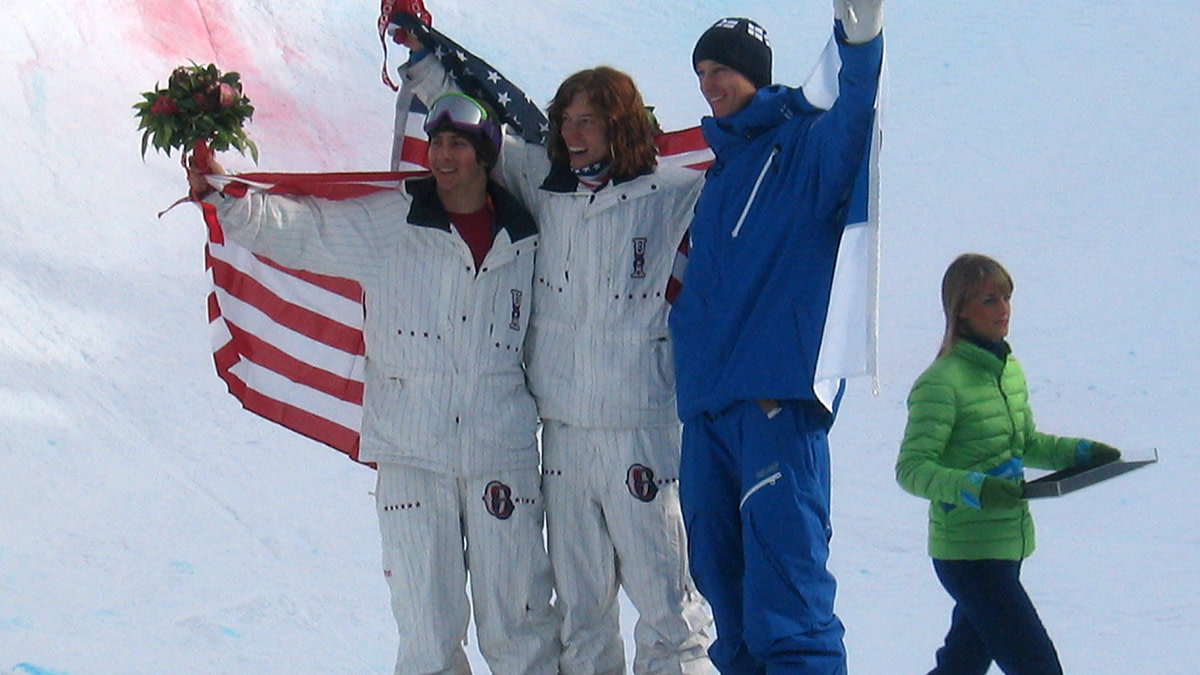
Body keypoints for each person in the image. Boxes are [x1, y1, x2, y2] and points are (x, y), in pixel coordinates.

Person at [189, 92, 561, 674]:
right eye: (437, 142)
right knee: (427, 635)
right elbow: (306, 230)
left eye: (458, 144)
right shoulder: (393, 220)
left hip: (502, 456)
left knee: (522, 627)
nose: (442, 155)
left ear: (486, 155)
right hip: (412, 456)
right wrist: (228, 198)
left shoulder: (528, 235)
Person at [395, 28, 714, 675]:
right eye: (566, 120)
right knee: (581, 613)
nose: (571, 134)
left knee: (670, 608)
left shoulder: (674, 195)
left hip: (640, 431)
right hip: (563, 436)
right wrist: (426, 64)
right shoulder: (544, 184)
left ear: (619, 125)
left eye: (587, 122)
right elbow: (482, 134)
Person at [666, 3, 885, 673]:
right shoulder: (718, 176)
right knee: (723, 600)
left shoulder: (804, 147)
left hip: (775, 405)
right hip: (707, 413)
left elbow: (855, 115)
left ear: (755, 73)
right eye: (702, 72)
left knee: (786, 600)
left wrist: (863, 41)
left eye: (723, 69)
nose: (710, 83)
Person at [895, 253, 1122, 675]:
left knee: (961, 665)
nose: (1003, 310)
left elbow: (1027, 443)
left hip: (1005, 547)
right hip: (967, 554)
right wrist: (977, 488)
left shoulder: (1007, 370)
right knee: (1037, 666)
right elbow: (912, 469)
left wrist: (1081, 452)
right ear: (960, 310)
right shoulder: (940, 383)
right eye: (989, 300)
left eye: (1006, 298)